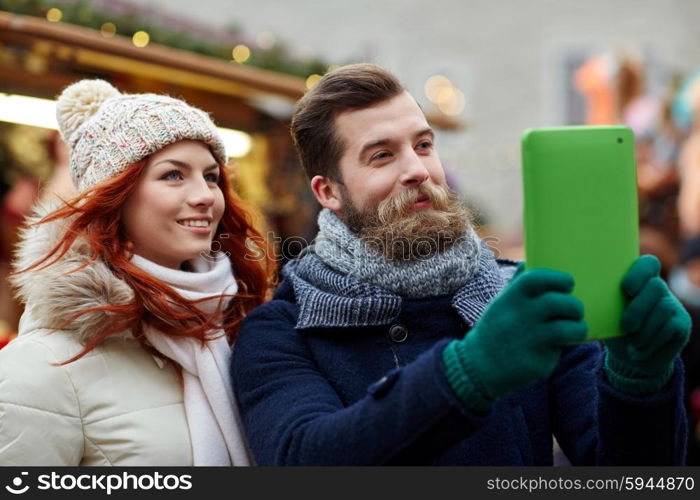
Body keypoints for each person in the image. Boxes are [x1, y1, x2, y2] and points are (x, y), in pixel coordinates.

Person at [231, 63, 691, 466]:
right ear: (328, 193)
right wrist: (467, 372)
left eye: (424, 145)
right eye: (382, 155)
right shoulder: (281, 330)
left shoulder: (525, 298)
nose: (418, 169)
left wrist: (638, 381)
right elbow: (303, 461)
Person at [0, 79, 273, 465]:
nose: (205, 196)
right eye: (173, 175)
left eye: (211, 176)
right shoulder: (44, 365)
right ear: (115, 197)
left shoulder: (240, 335)